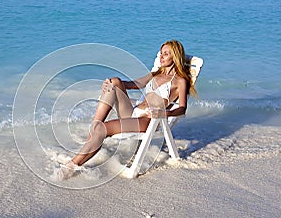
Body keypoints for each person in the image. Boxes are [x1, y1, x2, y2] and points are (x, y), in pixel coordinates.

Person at [58, 39, 197, 179]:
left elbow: (182, 109)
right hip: (134, 113)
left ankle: (71, 166)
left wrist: (165, 113)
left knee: (102, 129)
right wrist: (110, 84)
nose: (161, 57)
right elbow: (134, 84)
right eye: (161, 53)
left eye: (166, 54)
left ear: (175, 56)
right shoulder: (155, 74)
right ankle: (93, 130)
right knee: (115, 81)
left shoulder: (180, 81)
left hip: (147, 120)